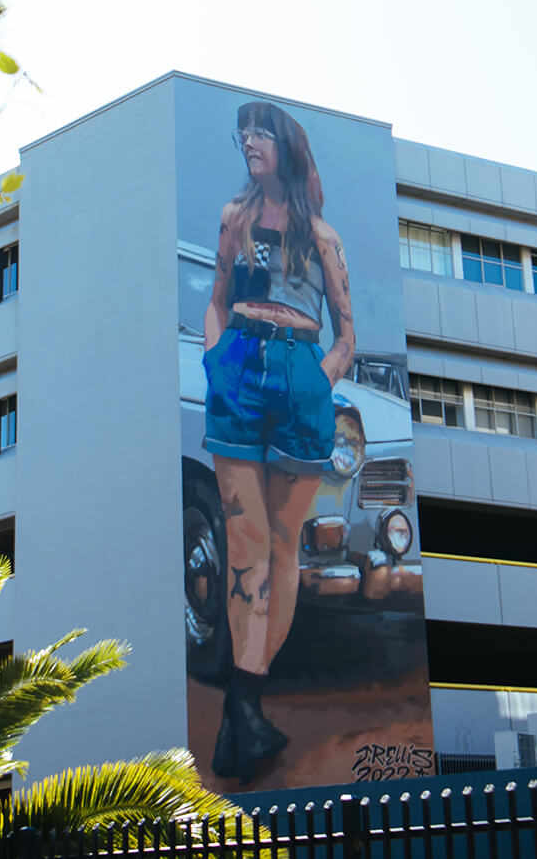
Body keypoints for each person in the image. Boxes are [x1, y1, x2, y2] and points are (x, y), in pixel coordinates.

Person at [201, 101, 355, 780]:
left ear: (286, 149)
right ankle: (246, 707)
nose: (248, 141)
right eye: (244, 132)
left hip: (299, 371)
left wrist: (317, 383)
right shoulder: (235, 221)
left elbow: (348, 335)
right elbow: (215, 299)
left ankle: (245, 704)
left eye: (261, 132)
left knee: (285, 545)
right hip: (238, 363)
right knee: (246, 538)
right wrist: (215, 362)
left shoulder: (323, 237)